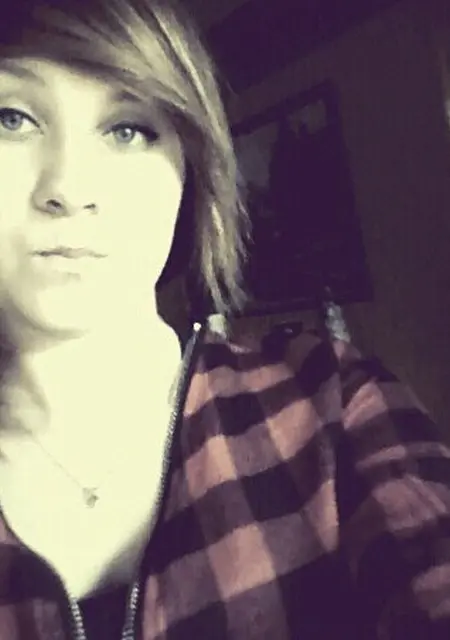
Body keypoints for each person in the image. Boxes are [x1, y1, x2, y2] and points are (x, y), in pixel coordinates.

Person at [0, 1, 448, 639]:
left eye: (128, 130)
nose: (69, 188)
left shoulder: (331, 404)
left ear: (191, 171)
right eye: (12, 119)